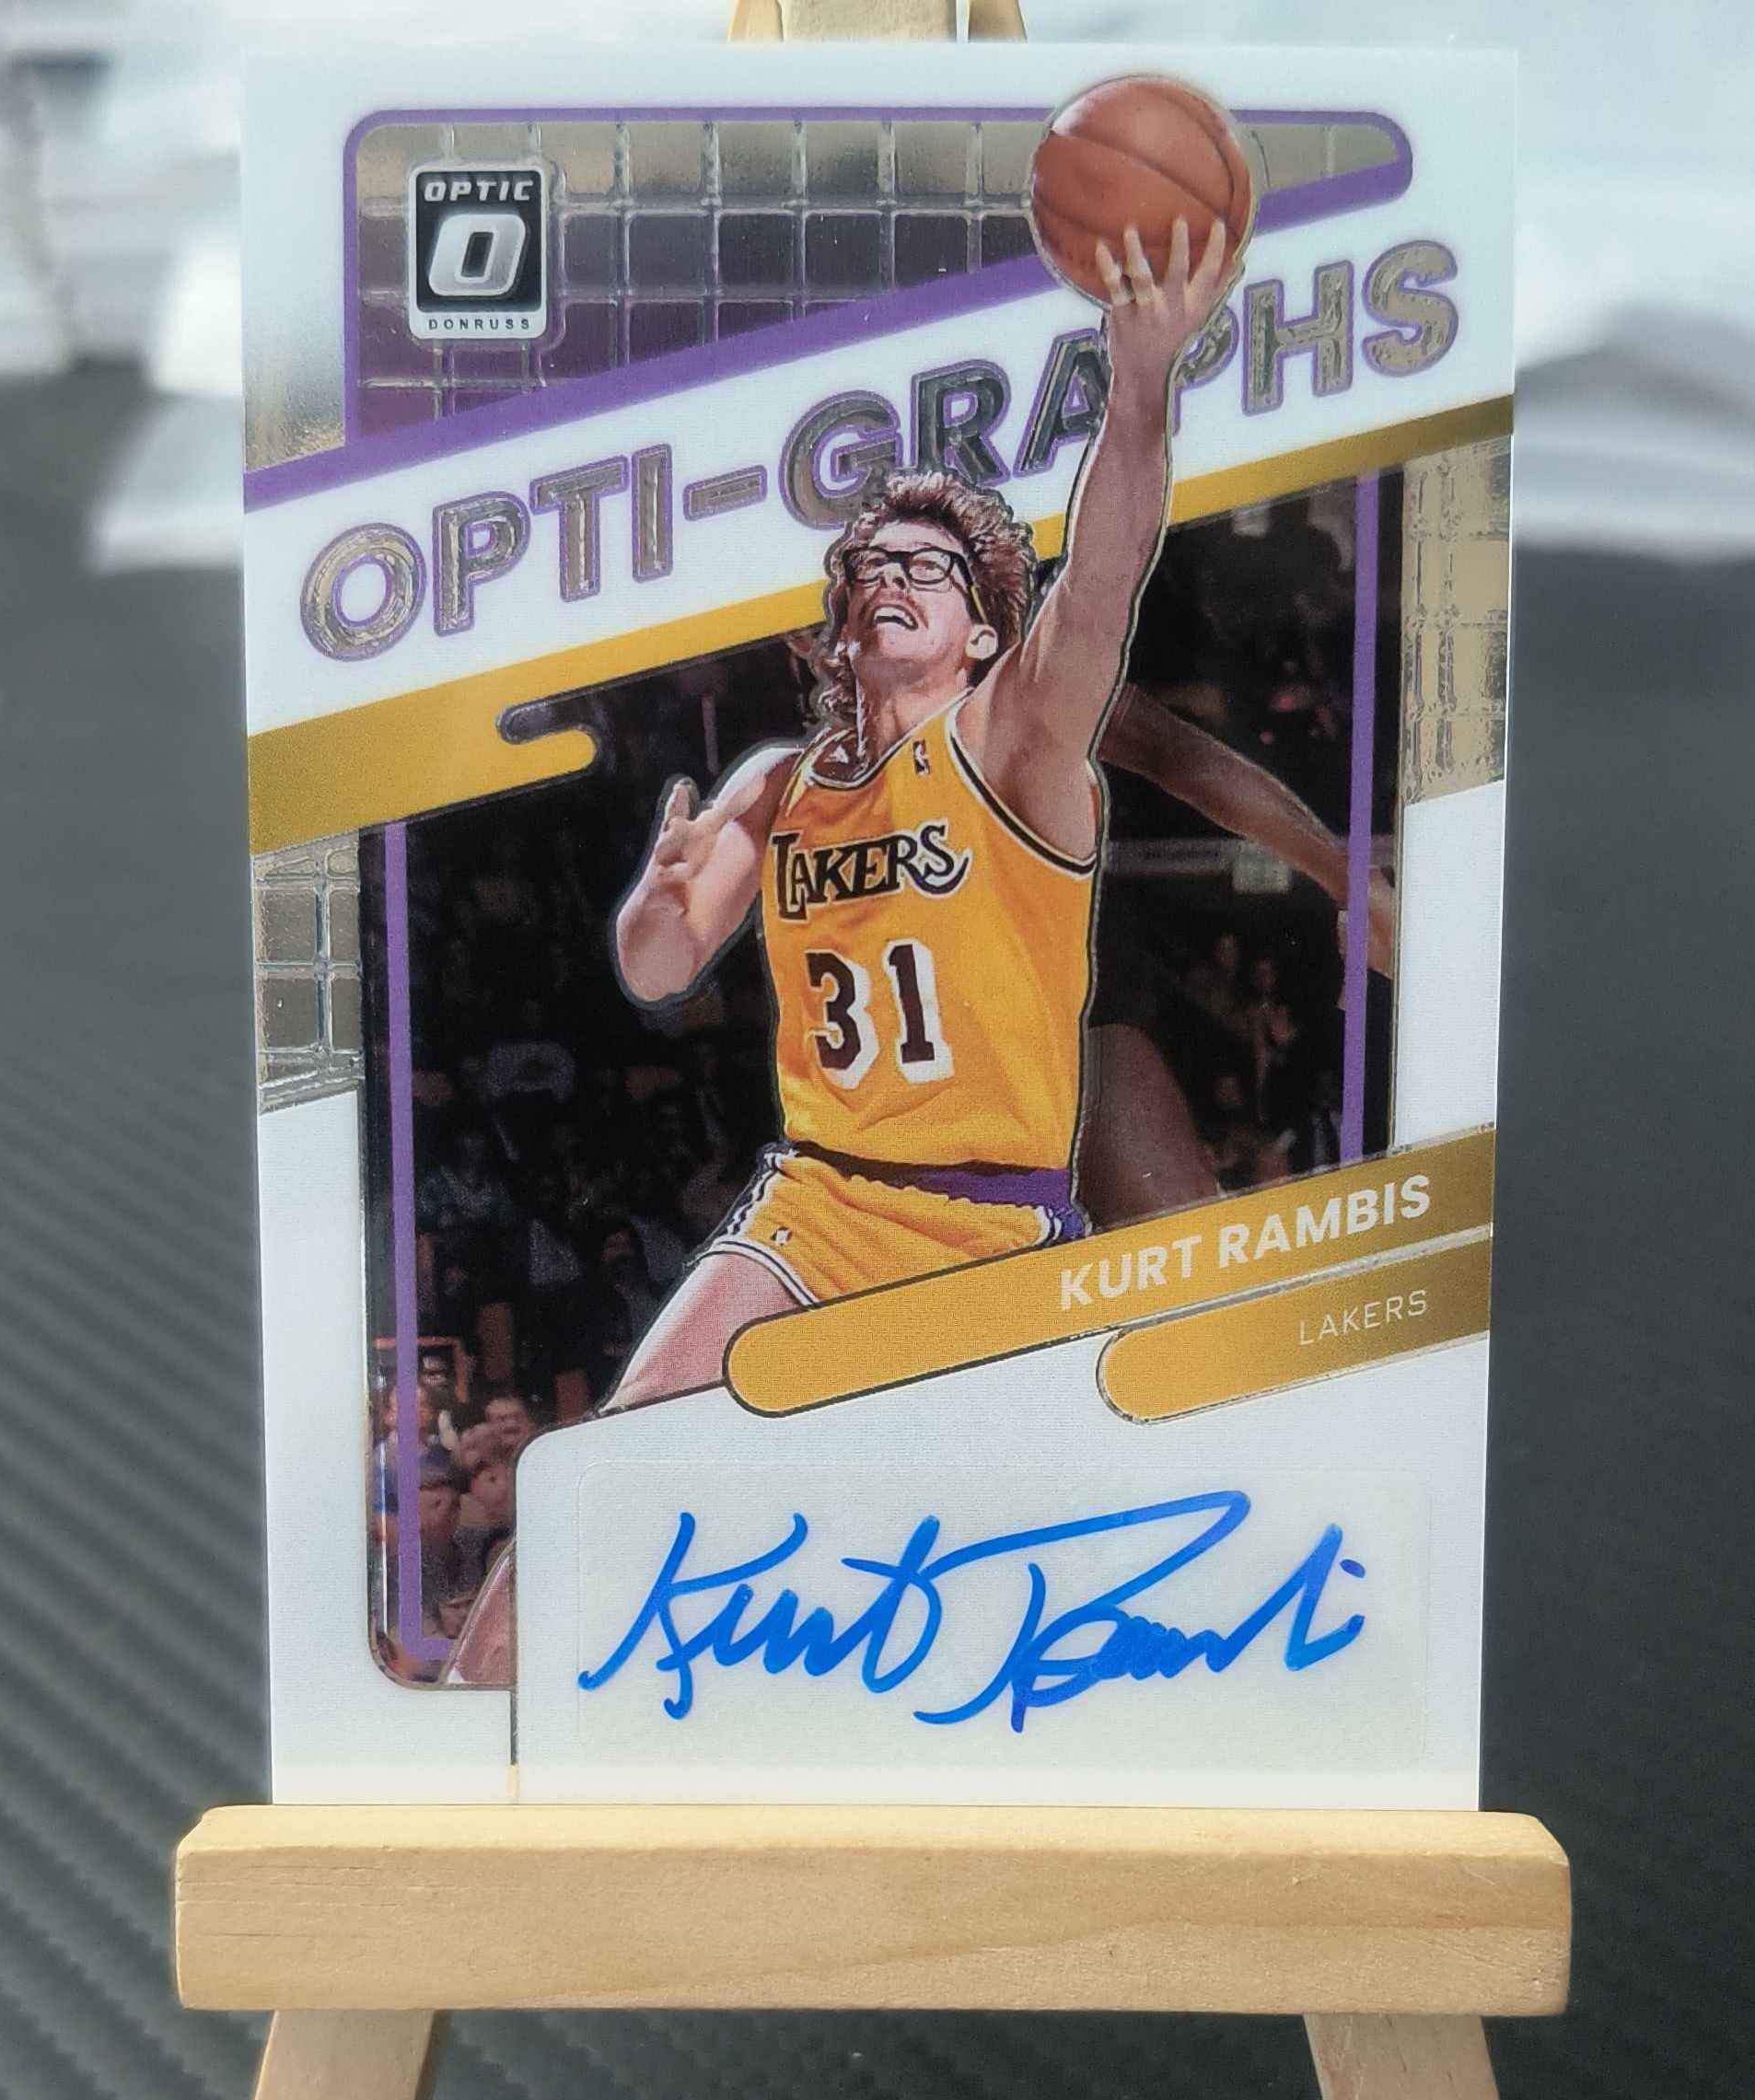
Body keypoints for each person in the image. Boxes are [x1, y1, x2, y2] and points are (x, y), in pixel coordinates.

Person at [447, 215, 1237, 1686]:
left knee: (962, 1622)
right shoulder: (778, 786)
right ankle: (451, 1757)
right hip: (819, 1207)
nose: (894, 574)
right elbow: (658, 969)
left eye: (932, 565)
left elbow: (1107, 574)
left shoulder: (1019, 745)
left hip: (991, 1233)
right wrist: (653, 896)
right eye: (875, 558)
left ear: (985, 633)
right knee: (591, 1490)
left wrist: (1140, 386)